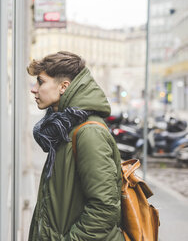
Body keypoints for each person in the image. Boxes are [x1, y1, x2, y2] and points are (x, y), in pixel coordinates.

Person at [27, 51, 124, 240]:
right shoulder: (65, 127)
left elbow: (105, 208)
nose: (34, 89)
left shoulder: (88, 132)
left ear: (64, 86)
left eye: (41, 82)